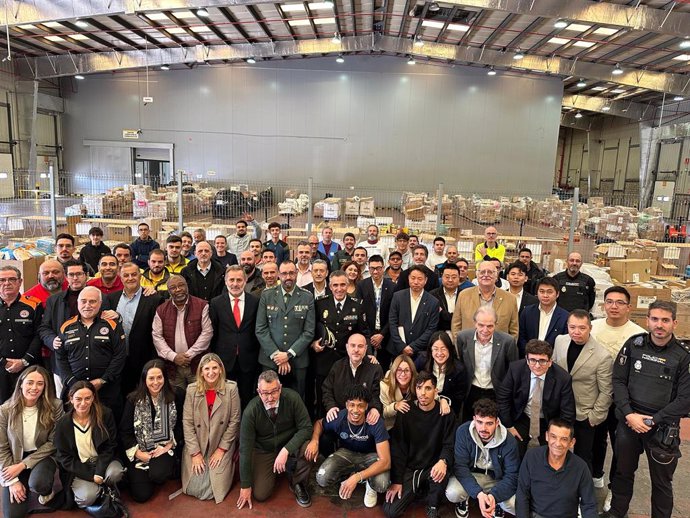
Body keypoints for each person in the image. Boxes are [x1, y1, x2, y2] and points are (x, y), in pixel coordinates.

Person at [601, 301, 690, 518]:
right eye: (655, 319)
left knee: (661, 482)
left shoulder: (683, 356)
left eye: (665, 320)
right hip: (629, 422)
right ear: (647, 320)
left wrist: (653, 420)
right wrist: (629, 414)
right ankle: (617, 512)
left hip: (663, 428)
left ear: (674, 323)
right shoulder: (633, 345)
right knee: (622, 473)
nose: (659, 325)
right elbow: (618, 381)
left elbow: (685, 399)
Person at [590, 286, 645, 503]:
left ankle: (615, 487)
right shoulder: (592, 327)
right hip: (594, 397)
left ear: (629, 308)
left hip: (624, 401)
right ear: (603, 305)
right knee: (595, 439)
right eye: (610, 301)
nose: (614, 306)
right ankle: (595, 474)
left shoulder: (639, 335)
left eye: (620, 302)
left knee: (621, 445)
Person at [236, 370, 313, 509]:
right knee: (261, 495)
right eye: (265, 393)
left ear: (280, 388)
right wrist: (245, 486)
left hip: (289, 445)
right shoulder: (251, 411)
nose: (270, 397)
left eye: (274, 392)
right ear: (258, 391)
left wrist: (286, 450)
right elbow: (245, 450)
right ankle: (282, 469)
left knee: (309, 447)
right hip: (264, 450)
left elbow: (306, 428)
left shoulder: (293, 398)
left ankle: (298, 482)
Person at [383, 372, 455, 518]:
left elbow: (450, 443)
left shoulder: (446, 413)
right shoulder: (406, 412)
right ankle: (420, 491)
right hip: (411, 468)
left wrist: (443, 461)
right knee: (391, 511)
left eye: (428, 388)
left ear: (436, 391)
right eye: (419, 388)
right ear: (415, 390)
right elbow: (398, 448)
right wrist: (397, 481)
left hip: (434, 466)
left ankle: (432, 503)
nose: (423, 393)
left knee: (441, 474)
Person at [308, 385, 391, 508]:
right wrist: (314, 440)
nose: (356, 410)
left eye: (360, 405)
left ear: (366, 406)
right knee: (322, 478)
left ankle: (365, 480)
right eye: (352, 405)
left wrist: (358, 477)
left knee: (381, 484)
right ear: (346, 405)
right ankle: (350, 474)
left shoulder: (375, 421)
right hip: (346, 453)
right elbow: (319, 423)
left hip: (371, 457)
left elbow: (386, 462)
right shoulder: (339, 417)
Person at [553, 310, 613, 474]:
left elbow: (606, 391)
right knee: (556, 451)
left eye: (581, 328)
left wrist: (594, 417)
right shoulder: (560, 341)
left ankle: (583, 493)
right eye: (572, 327)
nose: (576, 332)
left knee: (582, 457)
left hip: (584, 414)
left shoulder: (602, 356)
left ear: (590, 328)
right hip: (560, 409)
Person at [0, 366, 63, 518]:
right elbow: (1, 448)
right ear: (21, 383)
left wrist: (24, 465)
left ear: (45, 386)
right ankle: (22, 481)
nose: (34, 387)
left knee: (39, 483)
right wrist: (13, 481)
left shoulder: (55, 406)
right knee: (13, 515)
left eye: (40, 383)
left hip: (43, 456)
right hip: (15, 460)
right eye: (30, 382)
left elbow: (54, 442)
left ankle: (46, 492)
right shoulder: (5, 410)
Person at [496, 339, 576, 458]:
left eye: (542, 361)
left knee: (552, 454)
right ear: (527, 360)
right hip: (522, 417)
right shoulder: (515, 369)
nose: (537, 365)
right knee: (513, 451)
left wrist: (556, 435)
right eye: (533, 360)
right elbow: (503, 399)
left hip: (548, 420)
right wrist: (509, 426)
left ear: (550, 362)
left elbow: (567, 412)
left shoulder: (563, 378)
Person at [119, 359, 184, 503]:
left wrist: (167, 446)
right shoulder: (133, 399)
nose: (156, 382)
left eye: (159, 377)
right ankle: (139, 474)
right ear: (144, 379)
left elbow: (180, 427)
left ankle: (160, 469)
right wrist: (138, 453)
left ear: (165, 378)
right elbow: (125, 432)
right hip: (139, 451)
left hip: (163, 447)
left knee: (159, 475)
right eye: (151, 378)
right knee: (141, 496)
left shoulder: (176, 395)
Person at [54, 381, 125, 510]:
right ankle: (102, 490)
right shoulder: (63, 424)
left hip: (103, 461)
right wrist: (91, 476)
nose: (83, 403)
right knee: (86, 498)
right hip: (80, 467)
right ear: (71, 399)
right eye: (78, 399)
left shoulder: (105, 414)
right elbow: (64, 457)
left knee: (116, 473)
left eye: (88, 398)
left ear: (93, 398)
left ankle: (103, 487)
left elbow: (110, 445)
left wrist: (99, 472)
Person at [56, 286, 126, 416]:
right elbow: (60, 358)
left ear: (100, 303)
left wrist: (103, 380)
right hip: (75, 390)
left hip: (107, 390)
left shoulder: (112, 324)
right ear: (78, 303)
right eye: (83, 301)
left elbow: (119, 356)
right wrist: (73, 382)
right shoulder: (66, 326)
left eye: (92, 301)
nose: (87, 305)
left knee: (108, 428)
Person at [181, 353, 241, 503]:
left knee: (213, 490)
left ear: (221, 369)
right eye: (206, 369)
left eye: (215, 368)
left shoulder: (231, 389)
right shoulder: (191, 390)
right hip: (198, 443)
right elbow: (187, 423)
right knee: (193, 487)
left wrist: (221, 450)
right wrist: (195, 453)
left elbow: (234, 421)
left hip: (220, 442)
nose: (211, 372)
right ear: (201, 371)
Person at [446, 398, 519, 518]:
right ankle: (464, 499)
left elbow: (512, 476)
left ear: (497, 423)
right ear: (474, 419)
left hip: (496, 480)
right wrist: (478, 494)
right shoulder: (463, 432)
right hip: (472, 474)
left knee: (512, 504)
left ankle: (497, 503)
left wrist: (494, 496)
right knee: (453, 493)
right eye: (479, 422)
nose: (483, 428)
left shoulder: (509, 441)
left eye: (489, 423)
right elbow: (460, 467)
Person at [312, 272, 370, 416]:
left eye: (343, 284)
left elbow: (364, 333)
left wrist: (367, 355)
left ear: (348, 285)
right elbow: (311, 329)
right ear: (330, 286)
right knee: (322, 397)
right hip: (324, 359)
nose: (339, 289)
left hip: (347, 361)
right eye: (335, 285)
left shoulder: (357, 305)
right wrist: (313, 344)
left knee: (346, 396)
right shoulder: (320, 304)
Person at [255, 261, 315, 399]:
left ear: (296, 273)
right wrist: (277, 355)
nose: (288, 277)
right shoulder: (267, 295)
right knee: (268, 398)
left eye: (291, 273)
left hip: (298, 360)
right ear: (278, 275)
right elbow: (260, 329)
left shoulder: (307, 297)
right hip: (270, 360)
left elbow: (309, 331)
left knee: (297, 399)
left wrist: (288, 355)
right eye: (284, 273)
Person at [516, 419, 597, 518]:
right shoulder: (531, 457)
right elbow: (522, 494)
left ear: (572, 442)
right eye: (553, 437)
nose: (557, 443)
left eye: (564, 439)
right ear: (546, 436)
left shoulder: (581, 467)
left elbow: (589, 504)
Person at [106, 262, 162, 395]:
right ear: (120, 277)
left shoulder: (154, 299)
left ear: (140, 276)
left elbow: (158, 332)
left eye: (134, 274)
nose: (130, 278)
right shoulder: (111, 299)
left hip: (143, 358)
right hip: (117, 359)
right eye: (126, 275)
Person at [209, 265, 260, 409]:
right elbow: (213, 332)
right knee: (225, 400)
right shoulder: (216, 303)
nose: (235, 284)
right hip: (224, 360)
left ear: (245, 280)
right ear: (225, 281)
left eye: (239, 280)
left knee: (246, 398)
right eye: (231, 280)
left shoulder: (255, 302)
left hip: (248, 359)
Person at [456, 307, 518, 423]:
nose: (485, 330)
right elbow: (460, 363)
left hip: (495, 392)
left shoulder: (507, 342)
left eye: (490, 326)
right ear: (475, 323)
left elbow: (512, 371)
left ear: (496, 324)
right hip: (471, 391)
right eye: (481, 325)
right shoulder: (463, 337)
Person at [151, 275, 212, 390]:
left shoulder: (202, 305)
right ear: (169, 291)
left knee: (199, 398)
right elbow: (157, 336)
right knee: (176, 400)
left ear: (187, 286)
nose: (178, 289)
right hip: (173, 367)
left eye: (181, 285)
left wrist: (188, 355)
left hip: (197, 365)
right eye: (173, 287)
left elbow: (207, 333)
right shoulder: (161, 310)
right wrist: (174, 357)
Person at [39, 261, 90, 394]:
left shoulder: (99, 298)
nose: (75, 278)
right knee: (63, 401)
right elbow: (44, 328)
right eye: (71, 274)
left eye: (79, 274)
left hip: (91, 361)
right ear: (66, 277)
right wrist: (52, 340)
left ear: (87, 275)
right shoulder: (54, 300)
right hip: (61, 362)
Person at [0, 266, 44, 403]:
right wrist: (3, 362)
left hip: (29, 367)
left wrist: (24, 360)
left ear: (20, 282)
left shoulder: (34, 304)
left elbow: (39, 335)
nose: (7, 283)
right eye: (2, 280)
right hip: (1, 369)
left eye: (12, 279)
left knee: (31, 405)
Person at [322, 333, 383, 423]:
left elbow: (378, 394)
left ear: (366, 348)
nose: (356, 350)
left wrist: (375, 408)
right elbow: (327, 389)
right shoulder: (337, 366)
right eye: (353, 346)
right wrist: (331, 406)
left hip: (366, 417)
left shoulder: (375, 369)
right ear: (347, 347)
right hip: (339, 416)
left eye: (360, 346)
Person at [451, 261, 518, 339]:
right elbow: (456, 325)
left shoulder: (510, 299)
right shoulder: (464, 295)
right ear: (477, 275)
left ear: (496, 276)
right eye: (482, 272)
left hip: (499, 349)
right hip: (468, 348)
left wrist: (507, 350)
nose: (486, 275)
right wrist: (460, 348)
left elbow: (514, 331)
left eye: (490, 272)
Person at [388, 265, 440, 359]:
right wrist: (402, 346)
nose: (416, 282)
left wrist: (413, 347)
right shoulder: (398, 297)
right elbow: (392, 322)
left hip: (420, 352)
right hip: (397, 349)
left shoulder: (433, 302)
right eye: (413, 278)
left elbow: (431, 329)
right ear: (408, 278)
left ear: (426, 280)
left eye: (420, 279)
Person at [357, 255, 395, 369]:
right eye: (372, 268)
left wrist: (382, 334)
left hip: (385, 334)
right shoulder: (362, 285)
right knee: (366, 367)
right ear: (368, 268)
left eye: (378, 268)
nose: (375, 271)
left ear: (383, 268)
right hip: (367, 333)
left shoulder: (392, 286)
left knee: (383, 367)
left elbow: (393, 314)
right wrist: (370, 336)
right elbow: (360, 312)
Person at [415, 331, 467, 416]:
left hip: (446, 410)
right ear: (430, 350)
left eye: (443, 349)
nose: (439, 353)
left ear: (449, 350)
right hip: (422, 405)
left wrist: (444, 400)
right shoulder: (422, 361)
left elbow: (459, 397)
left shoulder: (459, 369)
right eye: (435, 349)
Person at [518, 277, 569, 357]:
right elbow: (521, 336)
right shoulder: (527, 312)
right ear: (537, 293)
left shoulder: (565, 316)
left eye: (549, 292)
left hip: (552, 360)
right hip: (528, 358)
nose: (545, 295)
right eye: (542, 291)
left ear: (557, 294)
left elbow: (564, 342)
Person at [379, 355, 417, 430]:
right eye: (399, 370)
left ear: (412, 372)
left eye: (407, 370)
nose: (403, 374)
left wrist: (443, 400)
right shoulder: (385, 386)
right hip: (392, 427)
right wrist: (395, 406)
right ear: (394, 371)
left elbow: (431, 397)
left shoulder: (418, 383)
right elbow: (384, 413)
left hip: (413, 425)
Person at [429, 262, 461, 332]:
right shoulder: (432, 295)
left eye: (454, 277)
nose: (450, 280)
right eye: (447, 277)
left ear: (459, 278)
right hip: (438, 334)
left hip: (460, 333)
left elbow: (463, 318)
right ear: (442, 277)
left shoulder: (464, 295)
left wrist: (442, 313)